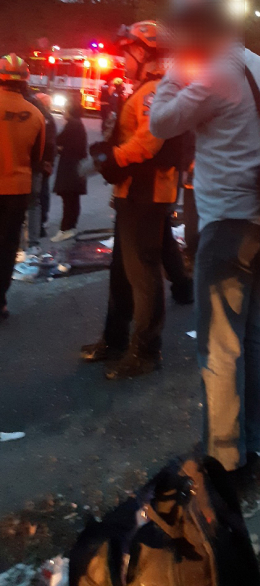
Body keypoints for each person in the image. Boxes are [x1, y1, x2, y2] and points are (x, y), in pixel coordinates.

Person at [149, 0, 260, 476]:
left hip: (225, 225)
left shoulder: (215, 74)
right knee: (252, 333)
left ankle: (224, 462)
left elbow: (159, 122)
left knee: (220, 345)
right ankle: (253, 443)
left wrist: (172, 73)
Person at [81, 21, 183, 380]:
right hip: (131, 192)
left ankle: (146, 350)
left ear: (143, 52)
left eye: (126, 53)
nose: (122, 60)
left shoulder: (158, 91)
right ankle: (115, 340)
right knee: (121, 274)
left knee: (143, 274)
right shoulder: (145, 89)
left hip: (147, 194)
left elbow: (149, 141)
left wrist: (111, 158)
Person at [0, 54, 45, 321]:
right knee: (7, 247)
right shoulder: (36, 115)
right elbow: (38, 158)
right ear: (25, 81)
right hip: (17, 191)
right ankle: (1, 300)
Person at [51, 97, 88, 242]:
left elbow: (58, 141)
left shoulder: (72, 125)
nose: (62, 112)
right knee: (73, 200)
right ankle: (71, 227)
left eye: (65, 109)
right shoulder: (78, 124)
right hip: (76, 168)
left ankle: (65, 229)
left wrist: (60, 148)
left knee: (69, 200)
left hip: (69, 168)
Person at [34, 93, 57, 238]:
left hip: (42, 162)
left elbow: (48, 143)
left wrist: (46, 162)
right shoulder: (48, 118)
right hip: (45, 162)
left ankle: (41, 223)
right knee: (43, 192)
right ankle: (42, 221)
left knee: (40, 194)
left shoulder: (42, 117)